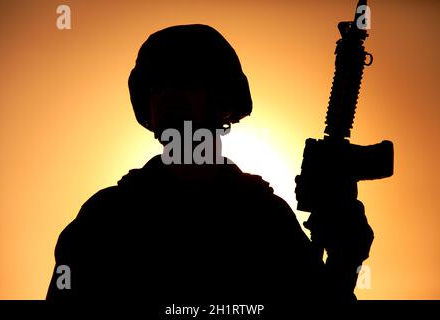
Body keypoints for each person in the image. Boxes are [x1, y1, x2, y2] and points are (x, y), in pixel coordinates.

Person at [47, 24, 373, 309]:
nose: (168, 93)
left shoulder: (264, 220)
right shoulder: (106, 218)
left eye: (186, 80)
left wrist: (346, 259)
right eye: (157, 84)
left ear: (223, 103)